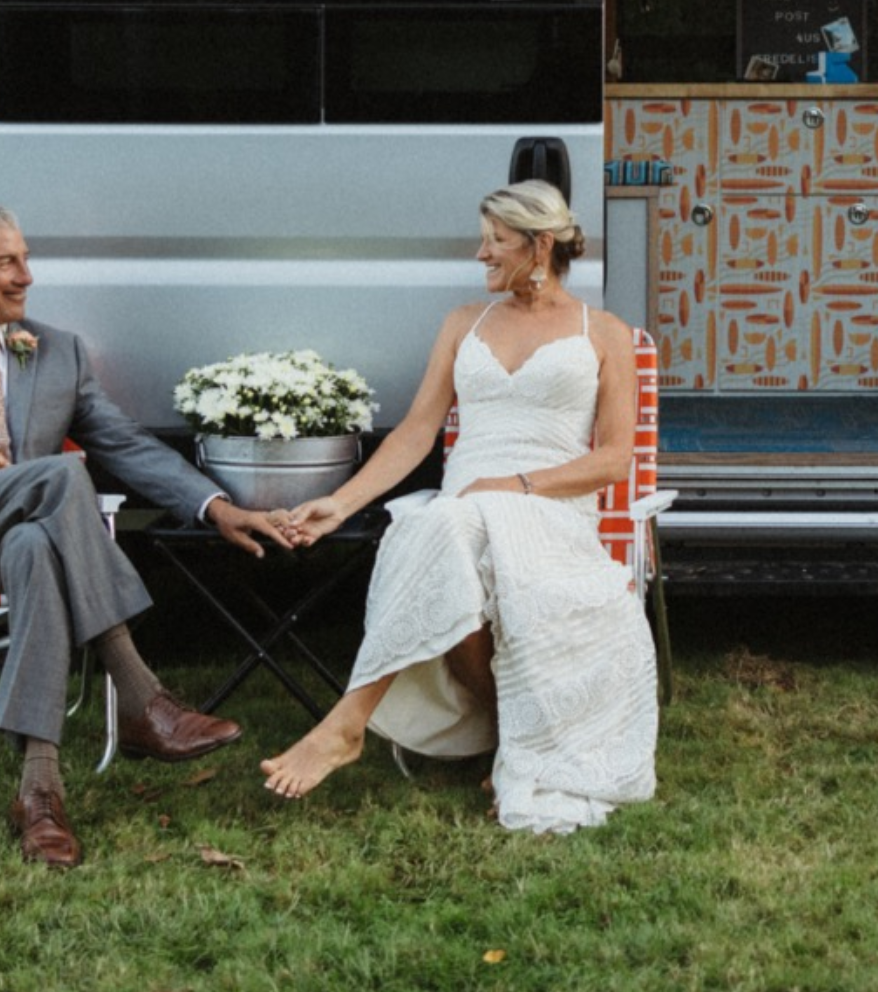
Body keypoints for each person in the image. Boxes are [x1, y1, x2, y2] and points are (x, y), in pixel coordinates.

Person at [0, 201, 290, 868]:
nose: (26, 277)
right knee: (65, 479)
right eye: (5, 261)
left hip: (20, 547)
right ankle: (140, 695)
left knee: (36, 545)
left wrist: (214, 506)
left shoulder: (57, 350)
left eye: (25, 259)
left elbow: (125, 446)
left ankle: (39, 796)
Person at [259, 181, 658, 833]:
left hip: (549, 512)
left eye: (496, 241)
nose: (481, 254)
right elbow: (417, 431)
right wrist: (339, 502)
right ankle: (499, 732)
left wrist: (517, 486)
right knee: (444, 526)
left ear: (540, 246)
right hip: (462, 513)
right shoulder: (463, 323)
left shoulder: (606, 333)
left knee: (445, 524)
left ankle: (345, 724)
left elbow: (614, 459)